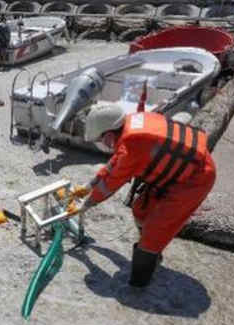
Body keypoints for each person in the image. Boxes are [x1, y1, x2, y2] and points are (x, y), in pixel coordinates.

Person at [73, 102, 217, 288]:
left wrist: (88, 203)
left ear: (109, 135)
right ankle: (151, 252)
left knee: (156, 229)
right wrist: (90, 183)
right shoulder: (130, 126)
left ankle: (139, 281)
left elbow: (112, 184)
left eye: (101, 140)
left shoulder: (133, 145)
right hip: (180, 171)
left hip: (195, 179)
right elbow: (115, 163)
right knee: (141, 208)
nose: (103, 144)